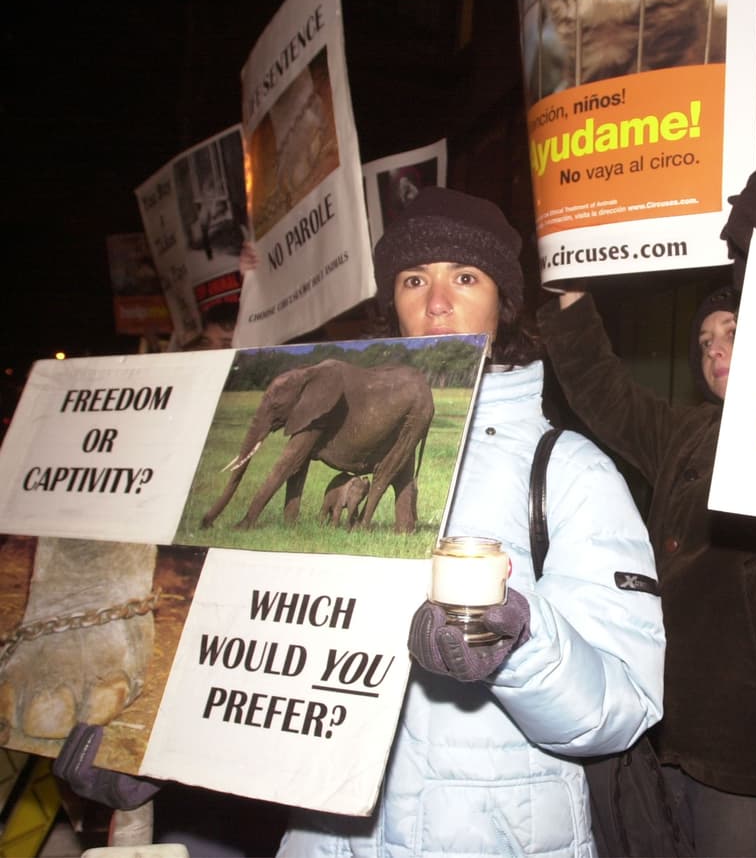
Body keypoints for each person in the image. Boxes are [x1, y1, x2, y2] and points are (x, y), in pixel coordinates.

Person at [276, 186, 666, 857]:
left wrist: (518, 643)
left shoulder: (568, 470)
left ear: (502, 303)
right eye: (412, 279)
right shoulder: (334, 454)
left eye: (464, 277)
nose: (436, 302)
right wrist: (162, 751)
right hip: (331, 836)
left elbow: (622, 707)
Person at [536, 169, 756, 858]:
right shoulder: (684, 433)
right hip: (677, 725)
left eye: (731, 330)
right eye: (703, 342)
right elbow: (606, 395)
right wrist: (573, 292)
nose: (714, 349)